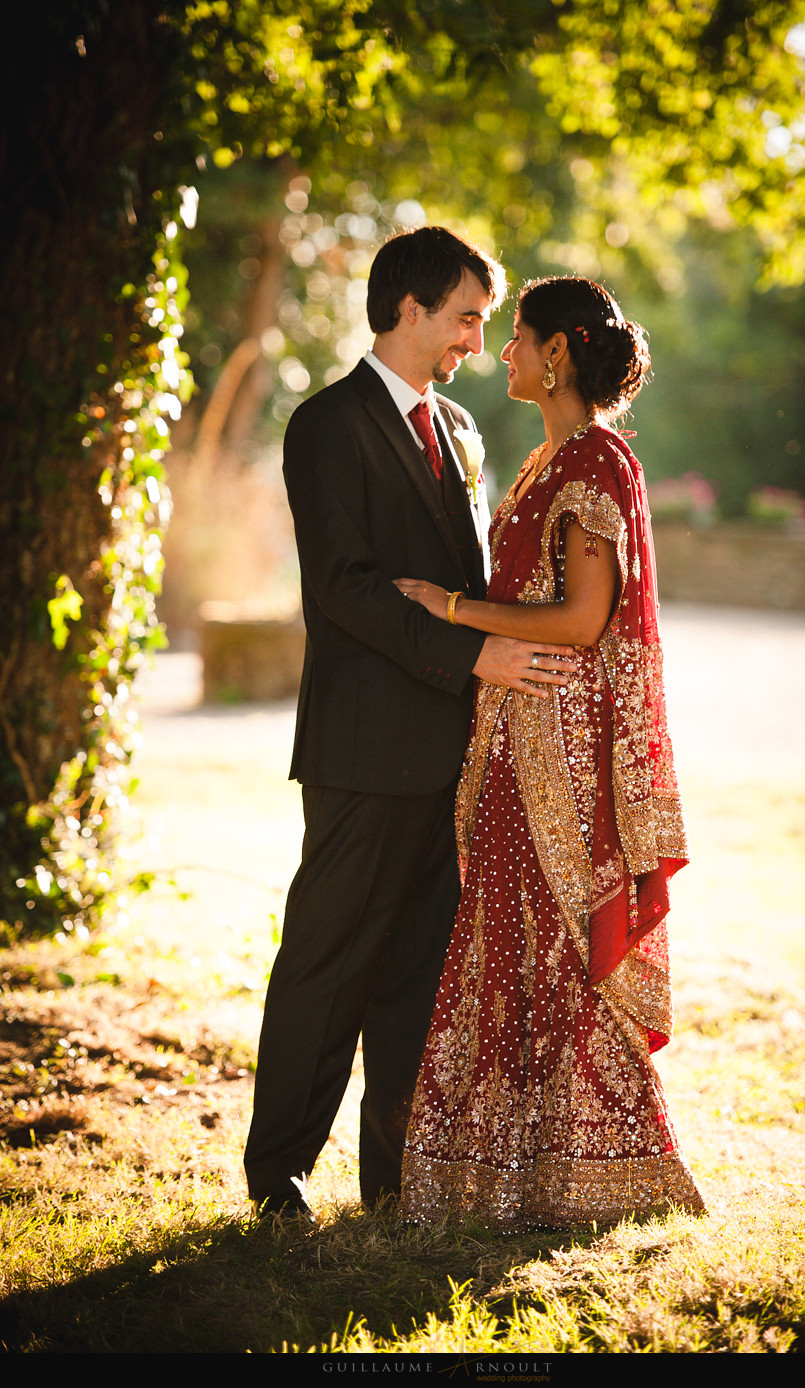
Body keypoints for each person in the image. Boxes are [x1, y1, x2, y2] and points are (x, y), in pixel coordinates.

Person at [243, 229, 574, 1219]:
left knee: (418, 975)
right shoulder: (328, 426)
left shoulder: (462, 431)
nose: (478, 338)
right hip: (363, 748)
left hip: (451, 757)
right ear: (408, 309)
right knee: (326, 963)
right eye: (468, 316)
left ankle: (394, 1183)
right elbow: (344, 589)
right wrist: (475, 653)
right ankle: (279, 1177)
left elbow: (467, 584)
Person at [396, 276, 705, 1230]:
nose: (504, 355)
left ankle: (600, 1164)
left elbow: (582, 618)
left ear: (560, 351)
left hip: (560, 749)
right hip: (510, 733)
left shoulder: (594, 465)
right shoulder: (545, 464)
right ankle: (499, 1172)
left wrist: (448, 608)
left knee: (560, 942)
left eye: (519, 339)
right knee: (503, 936)